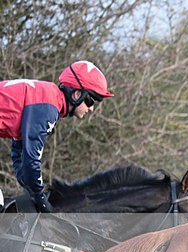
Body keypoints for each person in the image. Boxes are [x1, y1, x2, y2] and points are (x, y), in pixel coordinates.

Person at [0, 60, 114, 212]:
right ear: (77, 94)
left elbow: (19, 154)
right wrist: (39, 195)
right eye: (91, 100)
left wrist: (32, 189)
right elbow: (31, 157)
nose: (91, 108)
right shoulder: (47, 107)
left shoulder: (47, 97)